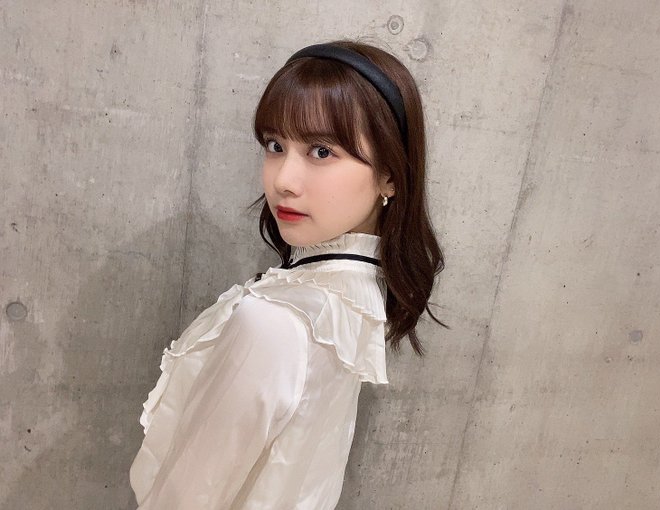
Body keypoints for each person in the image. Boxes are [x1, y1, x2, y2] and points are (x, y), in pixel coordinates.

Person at [129, 39, 447, 509]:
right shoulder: (352, 298)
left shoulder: (278, 320)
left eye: (321, 151)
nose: (282, 180)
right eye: (276, 146)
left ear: (391, 175)